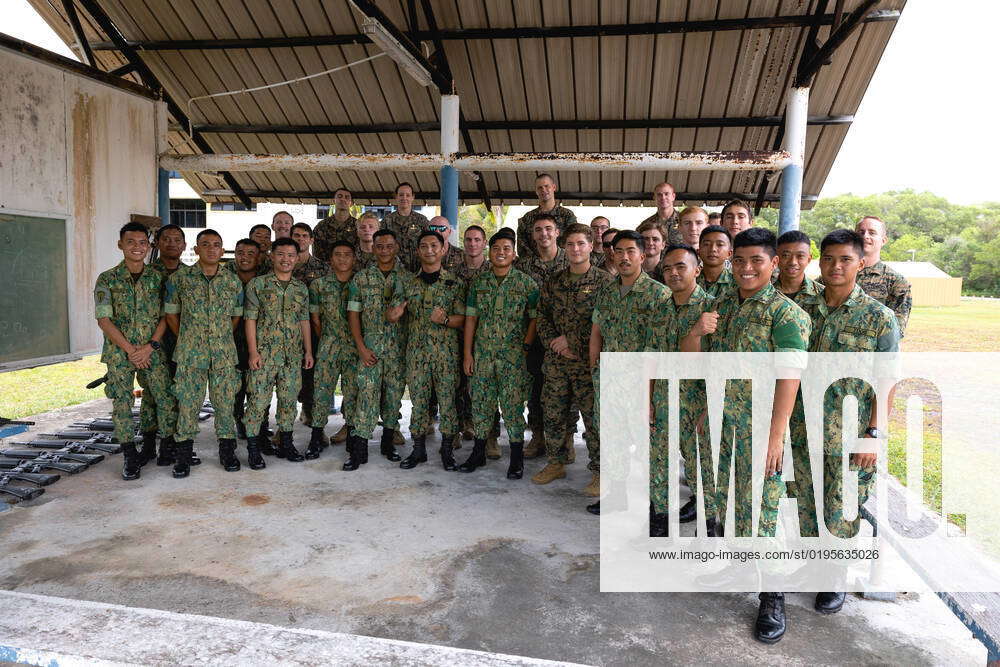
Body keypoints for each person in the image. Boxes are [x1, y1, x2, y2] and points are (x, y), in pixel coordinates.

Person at [683, 228, 810, 643]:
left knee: (761, 514)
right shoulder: (720, 305)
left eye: (757, 260)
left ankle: (772, 597)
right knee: (725, 502)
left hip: (760, 431)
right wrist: (698, 332)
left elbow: (789, 379)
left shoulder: (786, 315)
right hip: (721, 425)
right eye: (740, 261)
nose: (747, 268)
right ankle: (738, 566)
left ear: (774, 264)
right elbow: (698, 359)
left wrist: (776, 437)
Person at [775, 228, 899, 640]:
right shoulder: (799, 305)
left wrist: (874, 433)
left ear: (861, 263)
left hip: (849, 434)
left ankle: (834, 576)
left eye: (845, 259)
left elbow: (887, 380)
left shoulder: (879, 317)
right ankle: (813, 564)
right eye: (828, 259)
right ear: (819, 262)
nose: (835, 267)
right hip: (801, 428)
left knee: (842, 509)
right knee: (807, 505)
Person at [587, 230, 672, 515]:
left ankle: (658, 507)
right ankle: (617, 495)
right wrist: (594, 368)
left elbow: (657, 348)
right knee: (613, 440)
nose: (624, 257)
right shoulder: (608, 291)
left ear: (642, 255)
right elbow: (597, 329)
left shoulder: (658, 294)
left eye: (630, 251)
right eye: (619, 251)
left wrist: (649, 394)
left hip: (641, 383)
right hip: (610, 380)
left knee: (650, 445)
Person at [94, 222, 178, 480]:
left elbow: (167, 314)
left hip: (153, 349)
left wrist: (150, 346)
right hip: (120, 353)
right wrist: (132, 350)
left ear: (149, 246)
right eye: (131, 242)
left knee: (162, 398)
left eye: (142, 242)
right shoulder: (107, 278)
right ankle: (130, 454)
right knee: (122, 402)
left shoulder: (159, 277)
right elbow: (104, 319)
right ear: (121, 245)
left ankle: (164, 447)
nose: (137, 247)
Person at [532, 223, 612, 495]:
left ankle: (600, 471)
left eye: (581, 244)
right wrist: (555, 343)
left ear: (591, 246)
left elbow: (606, 323)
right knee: (553, 413)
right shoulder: (555, 281)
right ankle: (556, 462)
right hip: (557, 362)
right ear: (564, 248)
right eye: (570, 245)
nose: (575, 249)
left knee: (593, 419)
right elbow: (541, 315)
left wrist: (573, 342)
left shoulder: (604, 282)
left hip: (588, 363)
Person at [164, 229, 244, 478]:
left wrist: (218, 338)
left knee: (224, 404)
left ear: (222, 250)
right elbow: (171, 315)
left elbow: (236, 316)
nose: (211, 249)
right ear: (196, 249)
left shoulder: (232, 282)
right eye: (206, 244)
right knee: (188, 404)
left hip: (223, 354)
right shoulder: (179, 279)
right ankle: (184, 456)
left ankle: (227, 451)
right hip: (190, 354)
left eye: (217, 245)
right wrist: (189, 338)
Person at [649, 244, 717, 534]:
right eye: (668, 268)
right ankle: (660, 524)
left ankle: (713, 529)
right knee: (659, 462)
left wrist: (711, 405)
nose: (673, 273)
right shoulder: (660, 309)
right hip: (664, 398)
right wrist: (647, 399)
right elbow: (650, 358)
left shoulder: (713, 308)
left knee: (702, 466)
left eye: (681, 266)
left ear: (697, 270)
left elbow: (719, 362)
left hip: (698, 402)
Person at [461, 228, 539, 478]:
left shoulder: (526, 283)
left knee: (513, 408)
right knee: (481, 406)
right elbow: (471, 320)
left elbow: (534, 319)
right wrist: (468, 354)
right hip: (483, 356)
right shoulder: (479, 283)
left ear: (514, 254)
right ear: (489, 252)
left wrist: (526, 346)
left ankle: (516, 459)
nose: (501, 253)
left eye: (506, 248)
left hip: (513, 358)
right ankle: (479, 453)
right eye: (496, 249)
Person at [398, 230, 467, 470]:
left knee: (448, 402)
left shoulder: (454, 282)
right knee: (419, 402)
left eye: (434, 246)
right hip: (416, 354)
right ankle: (418, 451)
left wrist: (446, 319)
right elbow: (393, 313)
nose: (429, 250)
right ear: (418, 251)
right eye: (424, 246)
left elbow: (465, 319)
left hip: (445, 355)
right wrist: (395, 312)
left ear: (443, 249)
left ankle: (447, 451)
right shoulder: (407, 282)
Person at [243, 238, 313, 467]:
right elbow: (250, 319)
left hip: (292, 356)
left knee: (288, 401)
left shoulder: (300, 288)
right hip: (264, 355)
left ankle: (286, 443)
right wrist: (253, 352)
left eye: (291, 255)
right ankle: (253, 449)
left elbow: (304, 320)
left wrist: (308, 351)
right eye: (281, 254)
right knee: (257, 401)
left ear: (297, 258)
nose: (286, 259)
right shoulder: (258, 285)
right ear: (272, 256)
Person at [344, 229, 410, 469]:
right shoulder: (361, 279)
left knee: (393, 397)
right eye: (379, 246)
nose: (384, 250)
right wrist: (360, 346)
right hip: (369, 349)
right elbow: (353, 315)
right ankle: (360, 449)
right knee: (366, 396)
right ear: (372, 248)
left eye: (389, 246)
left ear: (396, 248)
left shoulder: (407, 278)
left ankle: (387, 442)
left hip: (397, 350)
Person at [515, 214, 569, 458]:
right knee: (535, 391)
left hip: (567, 339)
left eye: (549, 229)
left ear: (558, 232)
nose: (544, 234)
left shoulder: (572, 260)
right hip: (535, 339)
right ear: (533, 235)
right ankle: (537, 436)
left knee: (568, 391)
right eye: (538, 230)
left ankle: (566, 438)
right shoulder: (523, 266)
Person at [306, 240, 360, 459]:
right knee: (321, 392)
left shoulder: (360, 283)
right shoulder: (318, 285)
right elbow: (315, 320)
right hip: (328, 345)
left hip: (354, 347)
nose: (342, 258)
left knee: (353, 392)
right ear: (330, 259)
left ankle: (353, 434)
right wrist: (329, 338)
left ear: (354, 259)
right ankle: (317, 436)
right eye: (338, 254)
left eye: (347, 254)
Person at [142, 223, 187, 466]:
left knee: (182, 394)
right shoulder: (147, 274)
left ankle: (175, 444)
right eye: (166, 239)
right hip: (153, 344)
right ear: (157, 244)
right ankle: (149, 443)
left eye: (177, 239)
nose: (172, 243)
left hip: (183, 343)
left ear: (184, 245)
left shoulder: (191, 275)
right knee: (152, 394)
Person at [454, 224, 491, 447]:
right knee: (457, 385)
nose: (472, 244)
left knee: (483, 386)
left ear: (484, 243)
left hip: (486, 339)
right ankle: (459, 427)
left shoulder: (493, 270)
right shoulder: (454, 272)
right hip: (457, 336)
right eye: (468, 240)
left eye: (477, 240)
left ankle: (482, 430)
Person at [290, 222, 330, 426]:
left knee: (311, 373)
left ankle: (309, 410)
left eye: (305, 236)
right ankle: (284, 419)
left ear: (311, 240)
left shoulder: (322, 267)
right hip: (285, 330)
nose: (300, 239)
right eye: (296, 235)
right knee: (287, 375)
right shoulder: (281, 263)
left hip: (313, 329)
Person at [227, 238, 266, 444]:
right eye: (240, 252)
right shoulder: (225, 279)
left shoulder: (265, 281)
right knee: (235, 387)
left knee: (258, 386)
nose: (245, 257)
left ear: (259, 258)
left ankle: (259, 426)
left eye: (251, 254)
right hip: (230, 341)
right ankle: (239, 423)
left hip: (260, 343)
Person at [854, 216, 912, 336]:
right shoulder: (838, 274)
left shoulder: (896, 283)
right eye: (861, 232)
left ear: (883, 240)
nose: (865, 236)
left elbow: (895, 332)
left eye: (872, 232)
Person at [515, 173, 577, 260]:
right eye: (540, 188)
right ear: (536, 191)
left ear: (554, 187)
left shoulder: (567, 215)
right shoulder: (527, 218)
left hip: (562, 266)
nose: (543, 190)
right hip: (533, 269)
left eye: (546, 186)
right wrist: (537, 264)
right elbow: (522, 248)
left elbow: (573, 241)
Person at [381, 183, 430, 272]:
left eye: (408, 195)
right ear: (396, 197)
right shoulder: (387, 221)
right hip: (393, 271)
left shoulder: (422, 221)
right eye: (401, 195)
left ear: (412, 197)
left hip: (417, 270)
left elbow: (428, 244)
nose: (404, 198)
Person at [774, 230, 821, 306]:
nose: (793, 262)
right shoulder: (762, 293)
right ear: (776, 259)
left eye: (800, 256)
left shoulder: (823, 295)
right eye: (786, 255)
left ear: (808, 259)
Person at [312, 188, 357, 264]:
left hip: (352, 270)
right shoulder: (322, 226)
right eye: (339, 196)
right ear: (333, 200)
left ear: (351, 203)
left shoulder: (358, 226)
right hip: (327, 270)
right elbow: (317, 255)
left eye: (347, 197)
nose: (343, 199)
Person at [696, 225, 735, 298]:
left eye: (720, 245)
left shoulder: (737, 282)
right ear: (699, 251)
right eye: (706, 244)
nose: (713, 249)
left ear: (729, 253)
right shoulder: (689, 279)